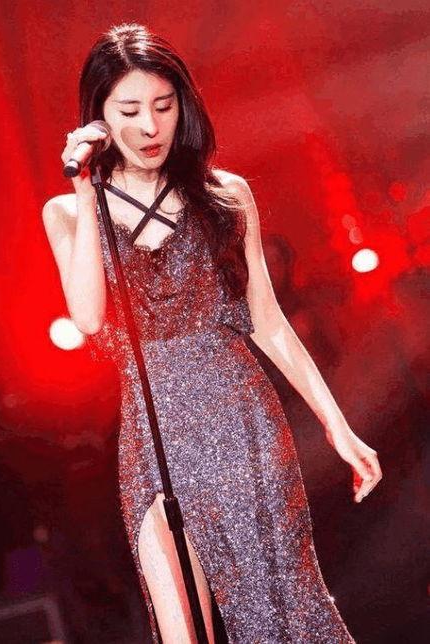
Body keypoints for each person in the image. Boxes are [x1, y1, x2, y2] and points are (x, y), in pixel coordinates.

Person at [42, 22, 382, 644]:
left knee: (282, 616)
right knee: (180, 631)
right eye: (129, 111)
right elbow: (88, 320)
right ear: (98, 117)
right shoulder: (68, 211)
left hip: (242, 422)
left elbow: (268, 321)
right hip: (154, 437)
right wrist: (84, 190)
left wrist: (339, 428)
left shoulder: (227, 194)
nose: (150, 127)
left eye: (164, 106)